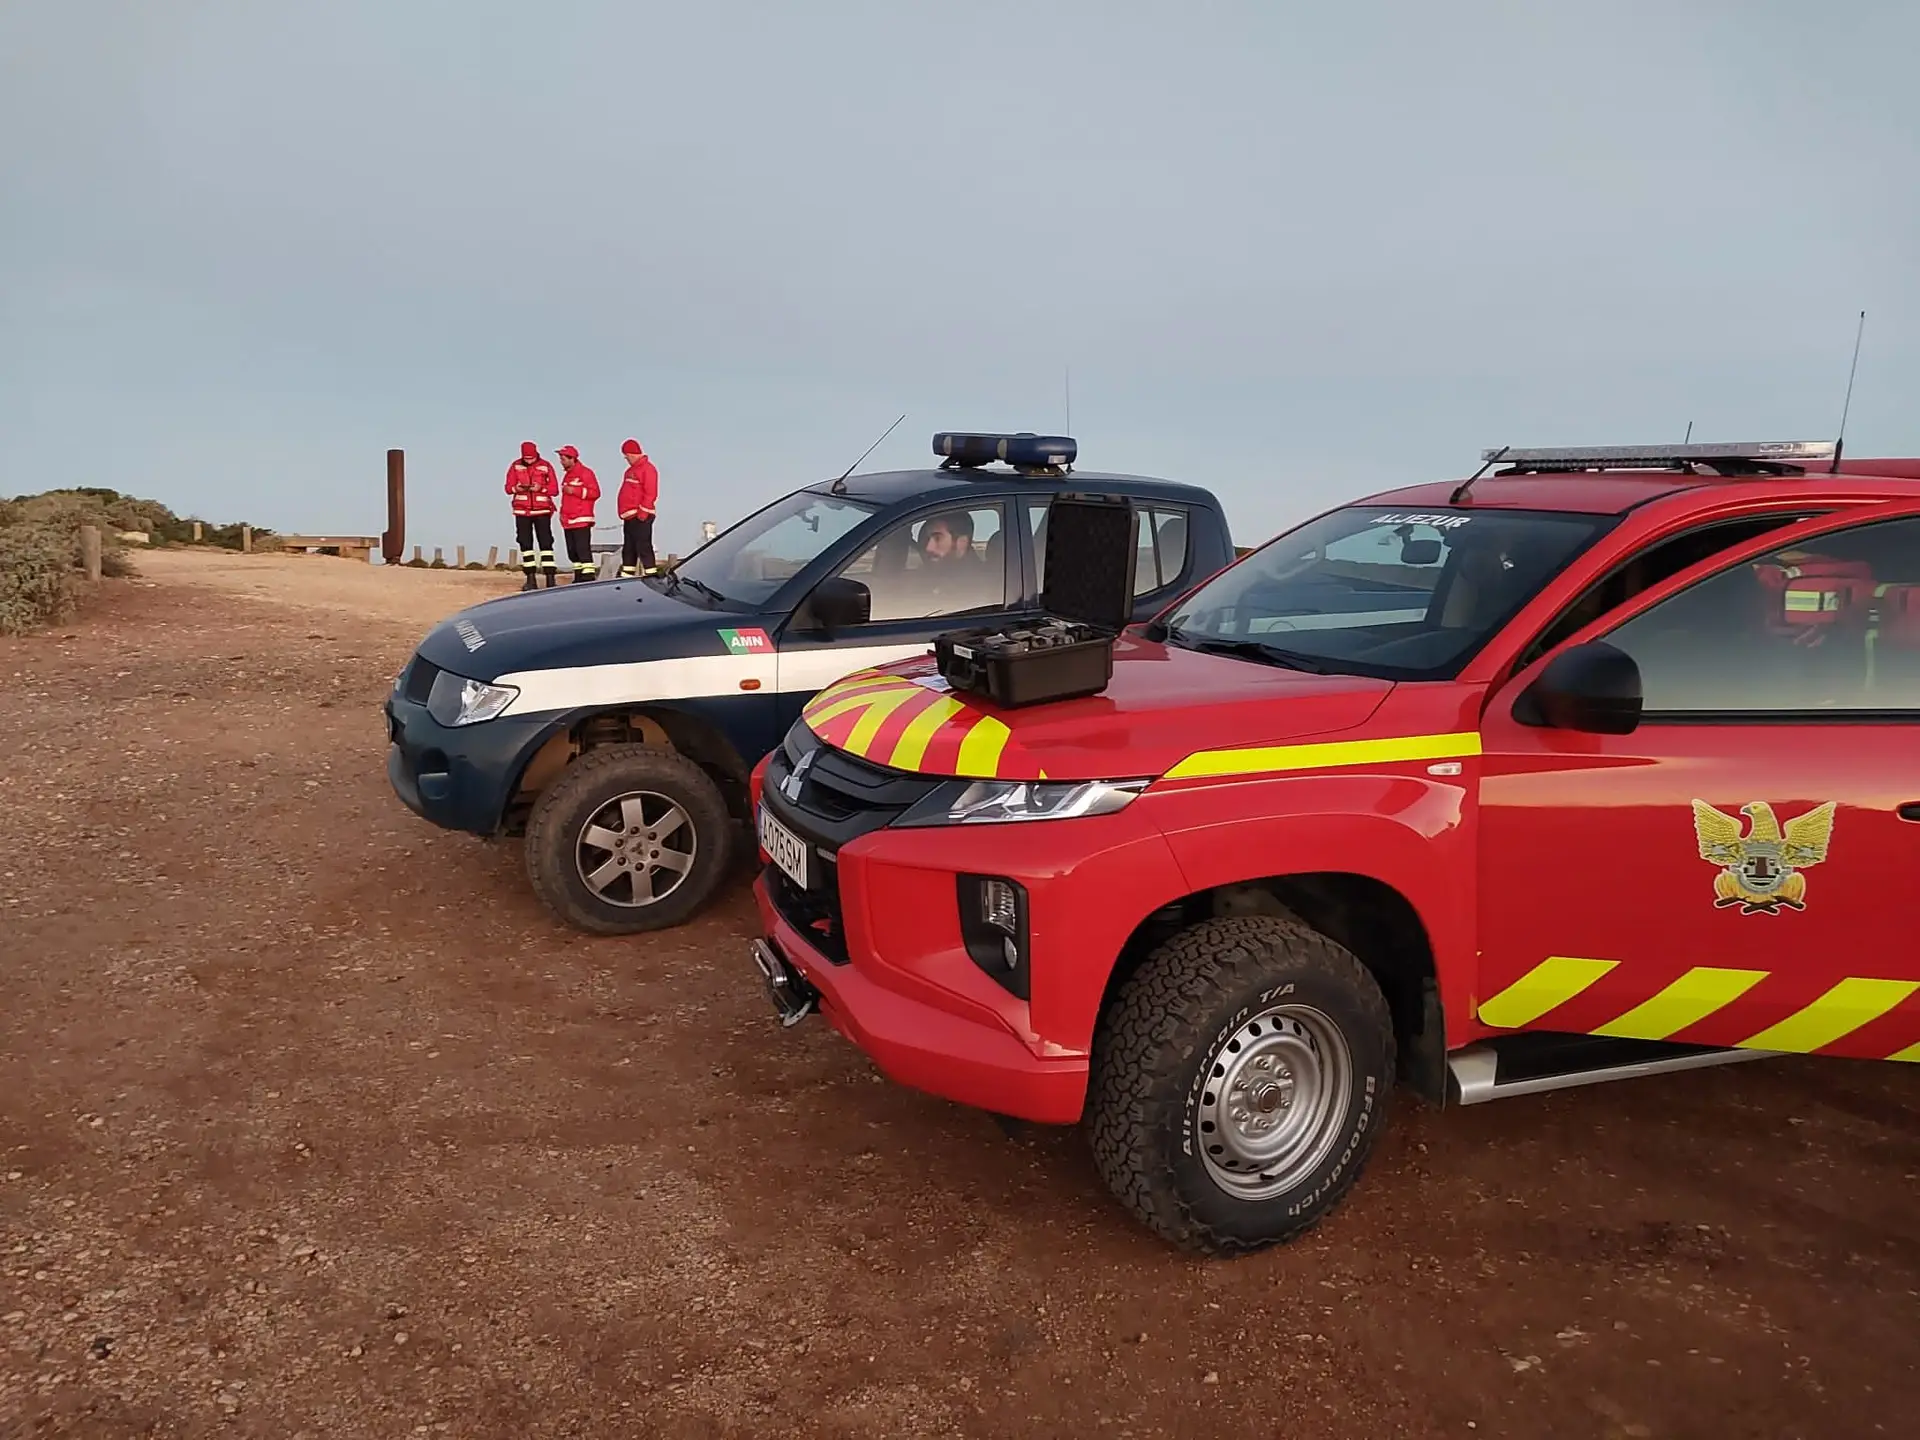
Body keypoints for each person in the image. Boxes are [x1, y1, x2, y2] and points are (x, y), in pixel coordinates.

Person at [504, 441, 559, 590]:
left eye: (531, 458)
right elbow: (508, 488)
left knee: (546, 545)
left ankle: (550, 578)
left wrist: (541, 488)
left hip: (542, 511)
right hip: (522, 512)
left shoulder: (546, 466)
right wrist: (517, 488)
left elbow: (554, 489)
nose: (529, 461)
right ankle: (530, 579)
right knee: (525, 545)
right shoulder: (515, 466)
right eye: (526, 458)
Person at [556, 444, 601, 582]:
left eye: (563, 459)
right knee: (572, 552)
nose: (561, 462)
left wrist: (575, 491)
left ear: (572, 458)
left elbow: (595, 493)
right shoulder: (567, 476)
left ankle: (588, 578)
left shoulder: (586, 473)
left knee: (582, 550)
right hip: (568, 520)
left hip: (581, 518)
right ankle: (578, 578)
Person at [617, 438, 660, 577]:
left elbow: (651, 492)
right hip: (629, 516)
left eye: (627, 456)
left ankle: (651, 576)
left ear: (632, 454)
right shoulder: (629, 471)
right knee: (629, 549)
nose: (626, 459)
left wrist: (643, 512)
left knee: (643, 547)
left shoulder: (648, 469)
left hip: (640, 516)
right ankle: (626, 578)